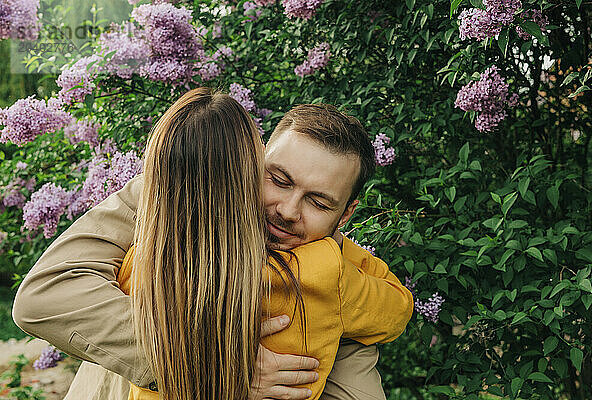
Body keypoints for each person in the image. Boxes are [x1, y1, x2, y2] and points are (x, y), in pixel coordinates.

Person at [13, 101, 413, 400]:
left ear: (345, 215)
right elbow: (44, 296)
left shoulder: (335, 275)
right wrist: (213, 365)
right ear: (252, 164)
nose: (288, 211)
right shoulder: (173, 199)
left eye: (319, 203)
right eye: (279, 180)